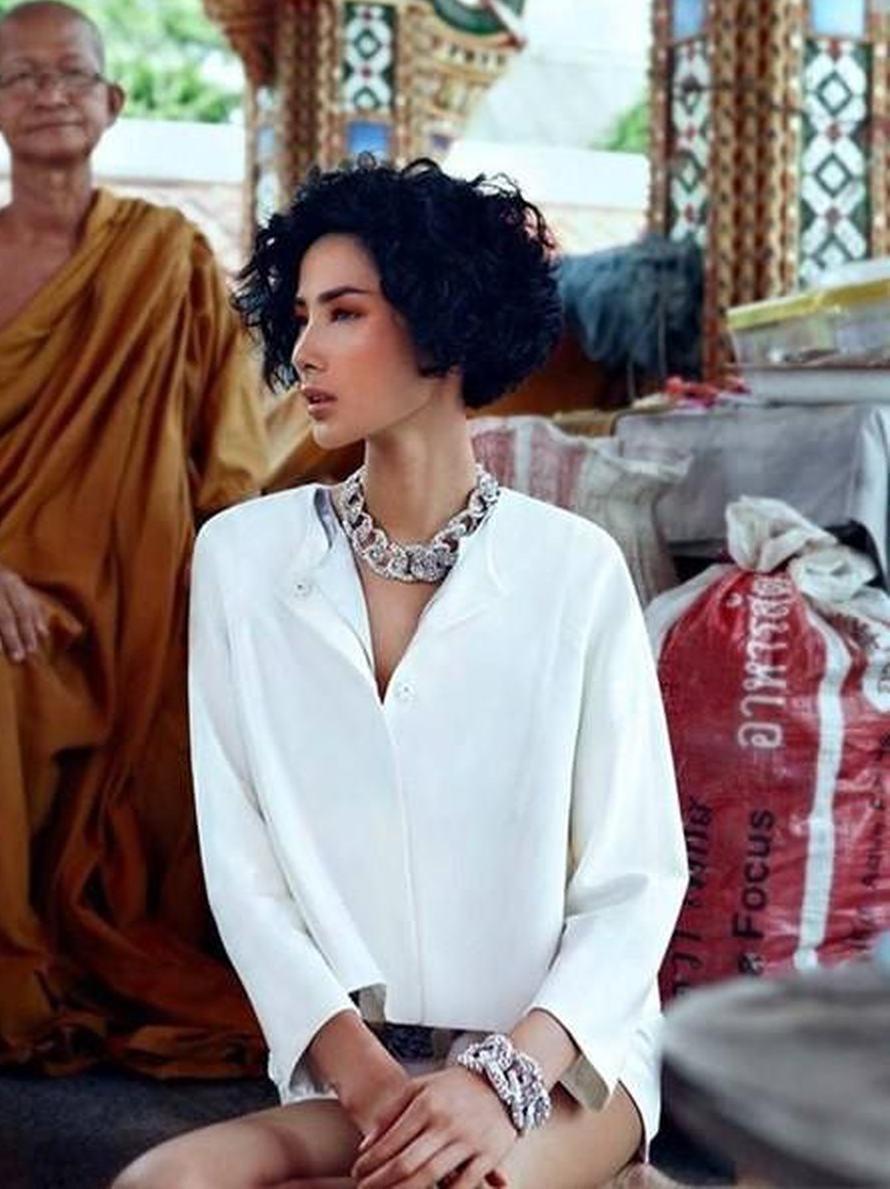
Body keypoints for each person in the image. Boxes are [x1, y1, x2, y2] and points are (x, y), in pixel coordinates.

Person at [114, 157, 688, 1188]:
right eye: (300, 316)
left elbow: (636, 882)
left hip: (563, 1065)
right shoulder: (242, 561)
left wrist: (502, 1078)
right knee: (164, 1183)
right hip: (356, 1065)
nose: (304, 348)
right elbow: (246, 874)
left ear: (442, 323)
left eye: (345, 313)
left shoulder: (574, 571)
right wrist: (373, 1086)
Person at [0, 0, 268, 1076]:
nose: (49, 92)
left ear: (112, 101)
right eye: (24, 76)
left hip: (130, 583)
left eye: (71, 73)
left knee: (212, 666)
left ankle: (109, 940)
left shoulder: (168, 257)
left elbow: (229, 453)